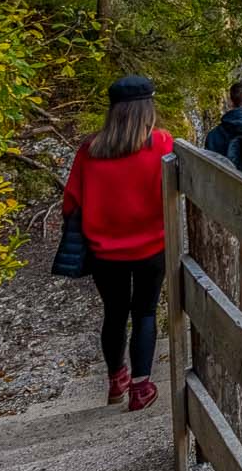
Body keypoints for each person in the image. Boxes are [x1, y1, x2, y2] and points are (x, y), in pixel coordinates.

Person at [62, 74, 173, 412]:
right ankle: (141, 386)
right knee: (144, 312)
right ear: (147, 108)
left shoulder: (90, 150)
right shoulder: (162, 143)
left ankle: (116, 378)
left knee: (114, 314)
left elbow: (71, 204)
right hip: (151, 246)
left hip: (104, 251)